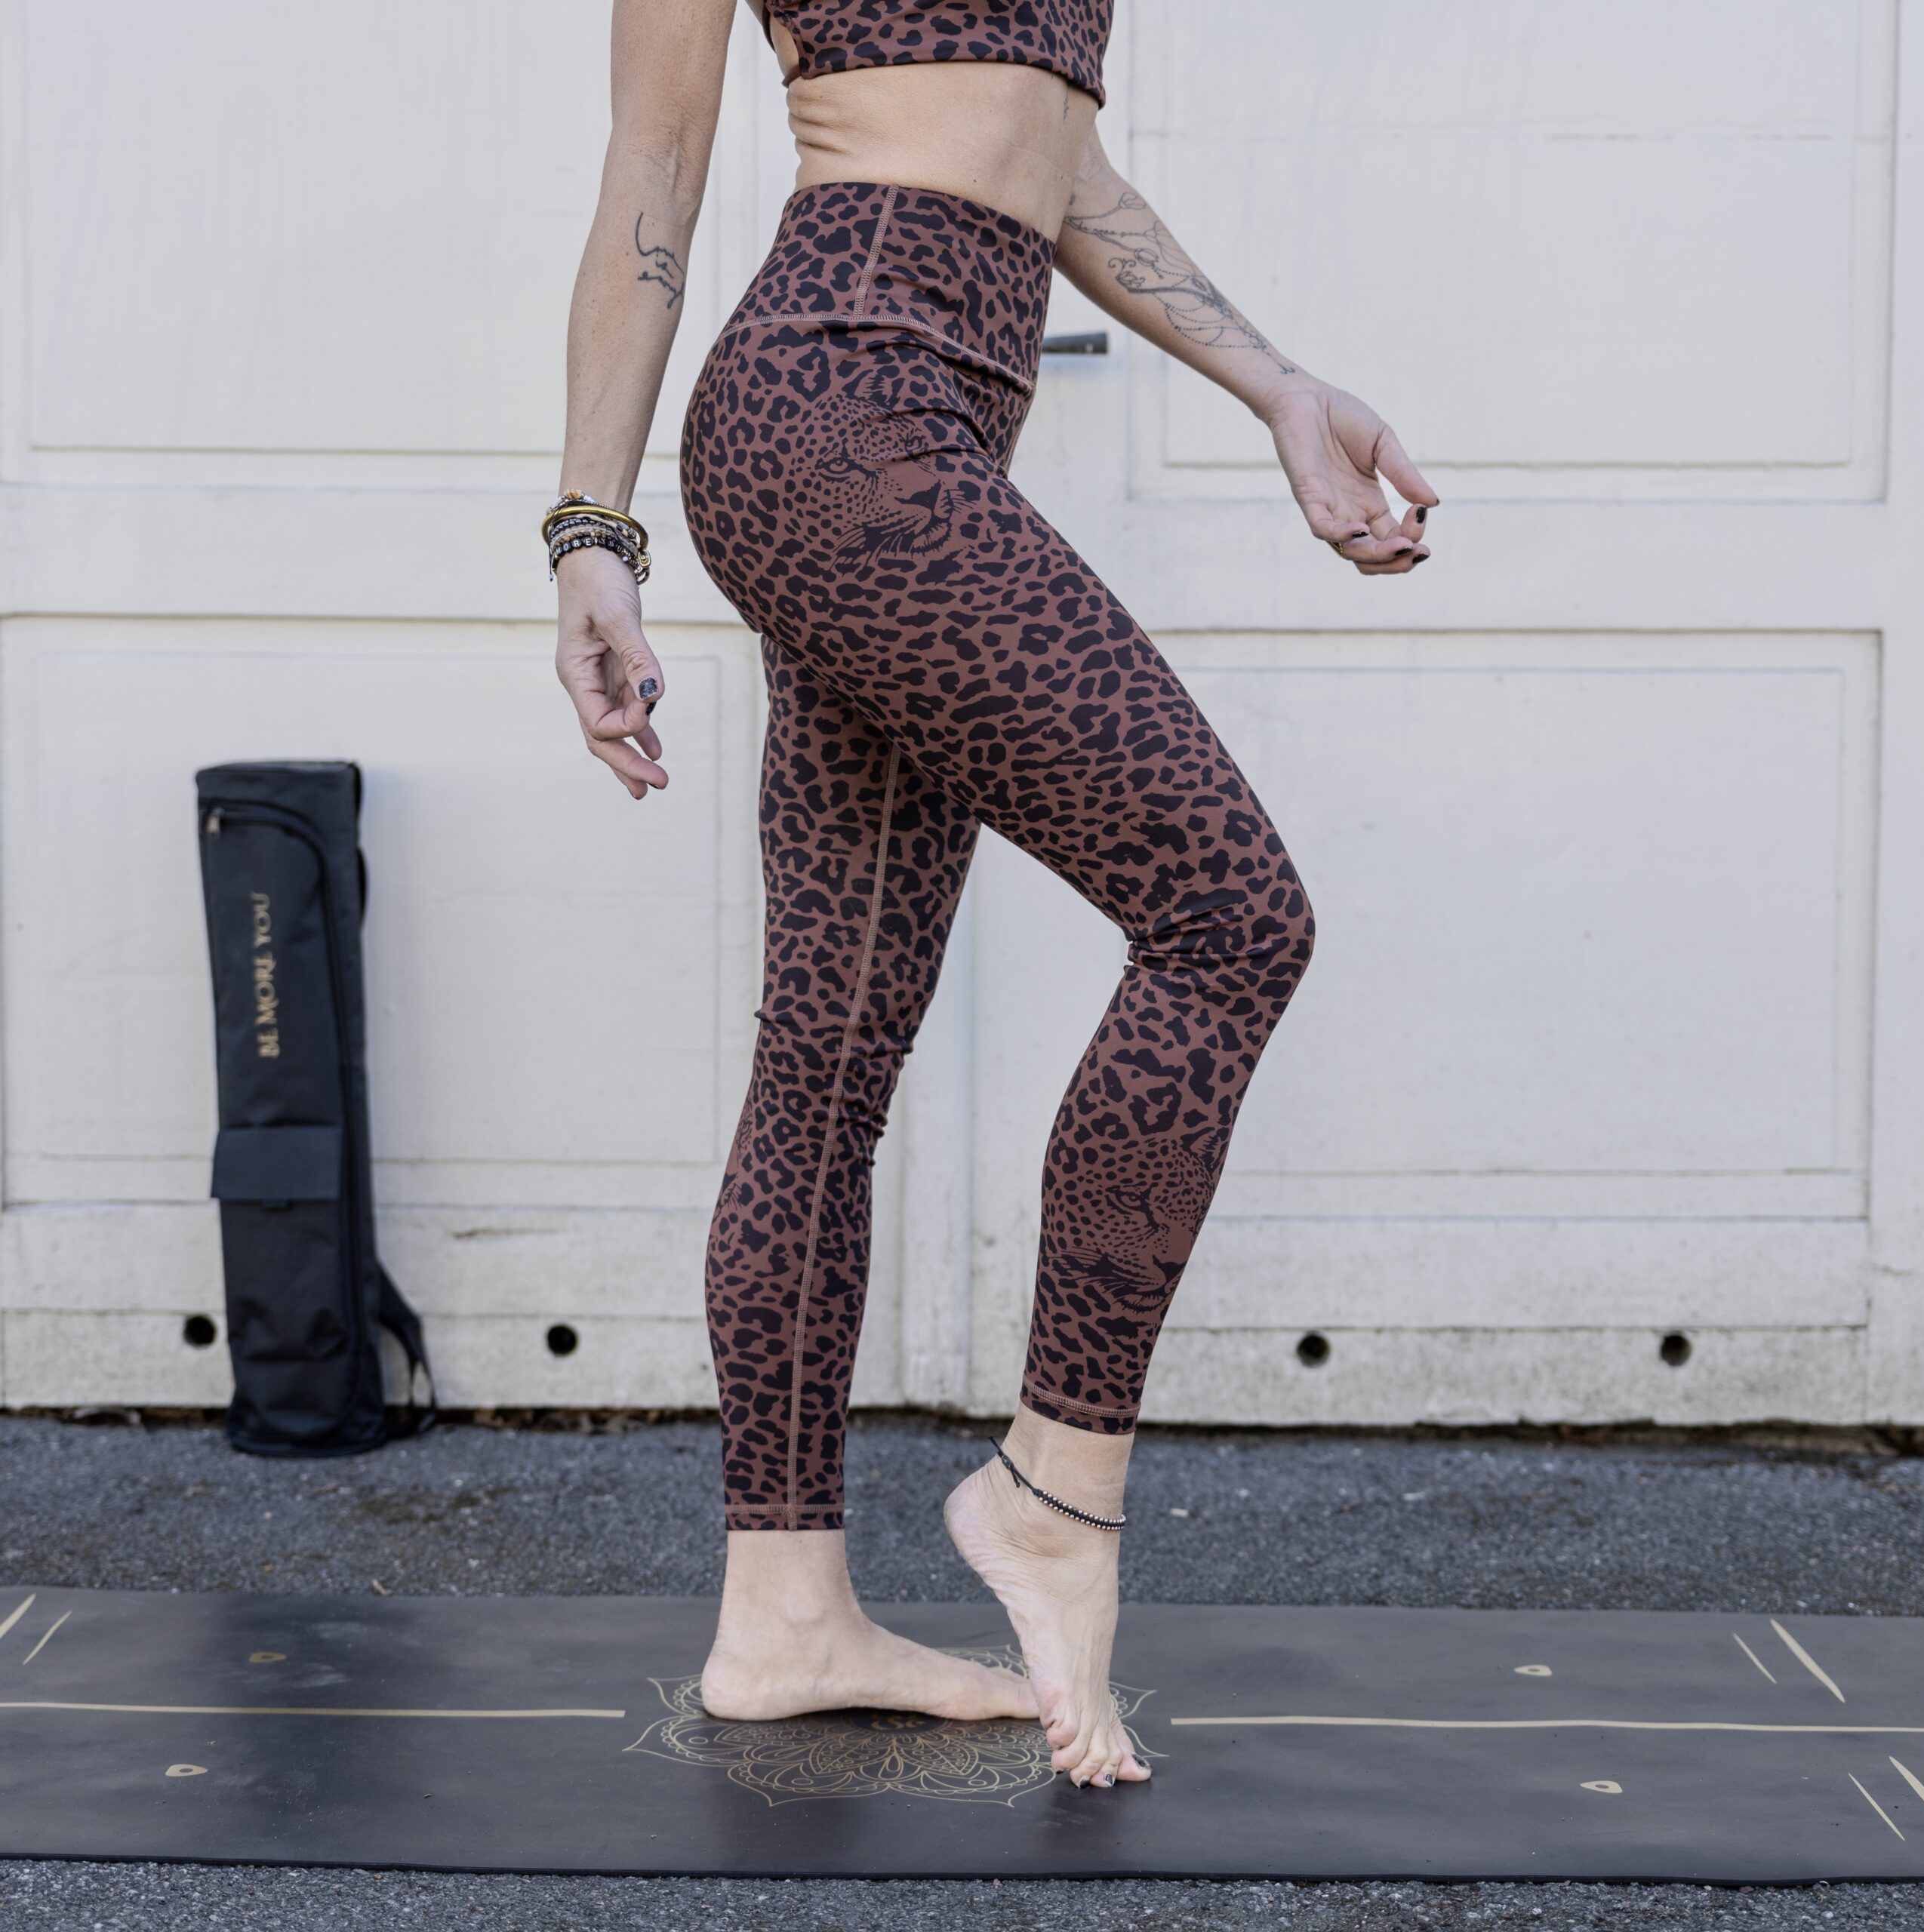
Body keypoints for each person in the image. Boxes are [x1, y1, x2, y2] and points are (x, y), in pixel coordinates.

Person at [549, 0, 1435, 1793]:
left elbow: (1050, 159)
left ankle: (782, 1614)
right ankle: (1052, 1493)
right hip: (834, 407)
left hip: (929, 419)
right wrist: (589, 532)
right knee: (1228, 913)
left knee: (826, 1051)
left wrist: (1276, 385)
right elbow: (653, 164)